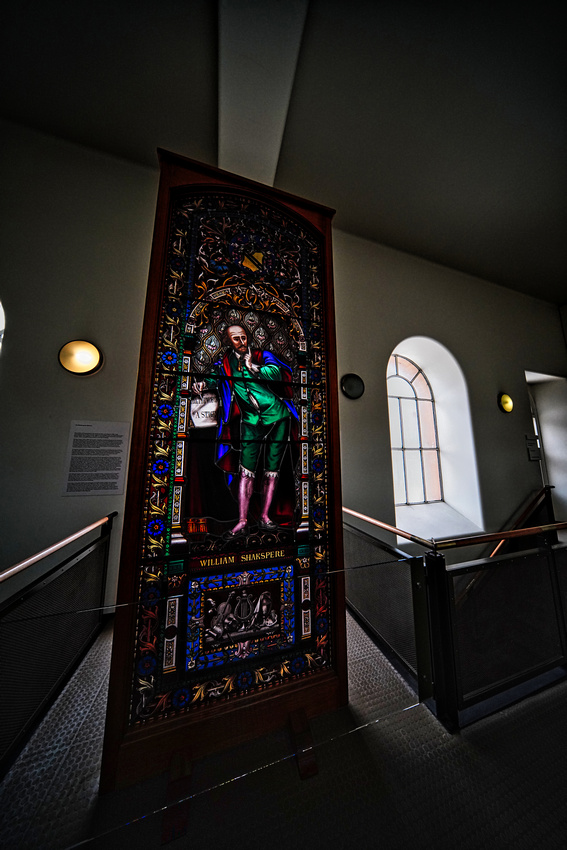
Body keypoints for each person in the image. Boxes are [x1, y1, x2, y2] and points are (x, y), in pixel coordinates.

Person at [193, 324, 298, 536]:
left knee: (272, 470)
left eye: (243, 337)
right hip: (250, 421)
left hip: (278, 417)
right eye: (236, 339)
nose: (242, 342)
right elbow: (217, 376)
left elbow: (278, 372)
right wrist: (204, 384)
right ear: (228, 341)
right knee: (245, 472)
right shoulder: (226, 362)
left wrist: (254, 367)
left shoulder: (261, 355)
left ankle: (265, 516)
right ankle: (242, 521)